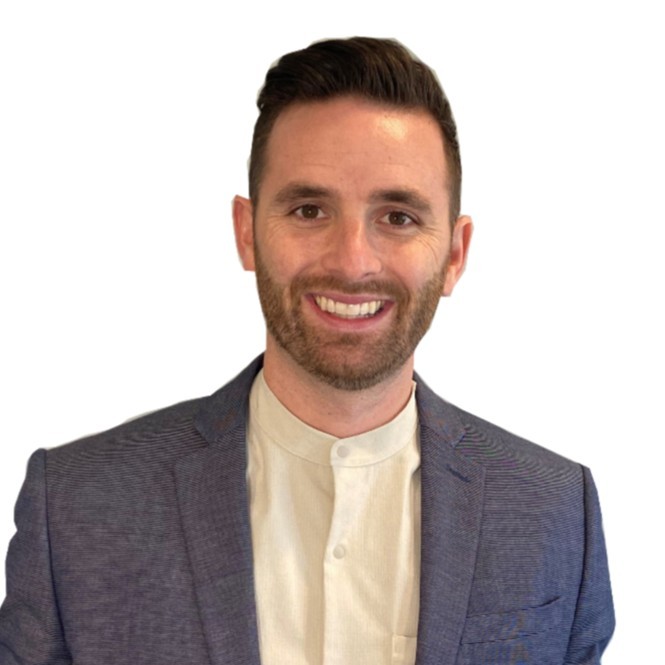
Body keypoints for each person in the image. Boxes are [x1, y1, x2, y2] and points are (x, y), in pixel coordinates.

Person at [0, 37, 614, 664]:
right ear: (247, 233)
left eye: (398, 217)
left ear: (455, 254)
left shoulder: (555, 511)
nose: (352, 261)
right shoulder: (76, 508)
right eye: (309, 209)